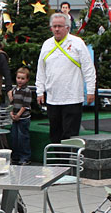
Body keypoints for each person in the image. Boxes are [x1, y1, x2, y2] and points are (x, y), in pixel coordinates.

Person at [36, 13, 96, 144]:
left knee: (70, 136)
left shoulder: (77, 43)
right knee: (55, 135)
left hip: (72, 98)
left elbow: (88, 68)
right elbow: (41, 70)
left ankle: (70, 163)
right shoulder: (47, 45)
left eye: (60, 26)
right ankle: (57, 162)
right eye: (54, 26)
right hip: (53, 99)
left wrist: (91, 91)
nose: (57, 29)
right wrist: (40, 91)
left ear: (67, 27)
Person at [8, 67, 32, 165]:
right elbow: (12, 103)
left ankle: (25, 157)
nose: (20, 80)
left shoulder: (27, 91)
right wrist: (11, 113)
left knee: (23, 138)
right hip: (15, 118)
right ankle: (16, 156)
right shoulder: (14, 90)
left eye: (22, 78)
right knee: (15, 138)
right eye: (18, 78)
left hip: (23, 118)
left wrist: (18, 115)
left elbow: (25, 105)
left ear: (27, 80)